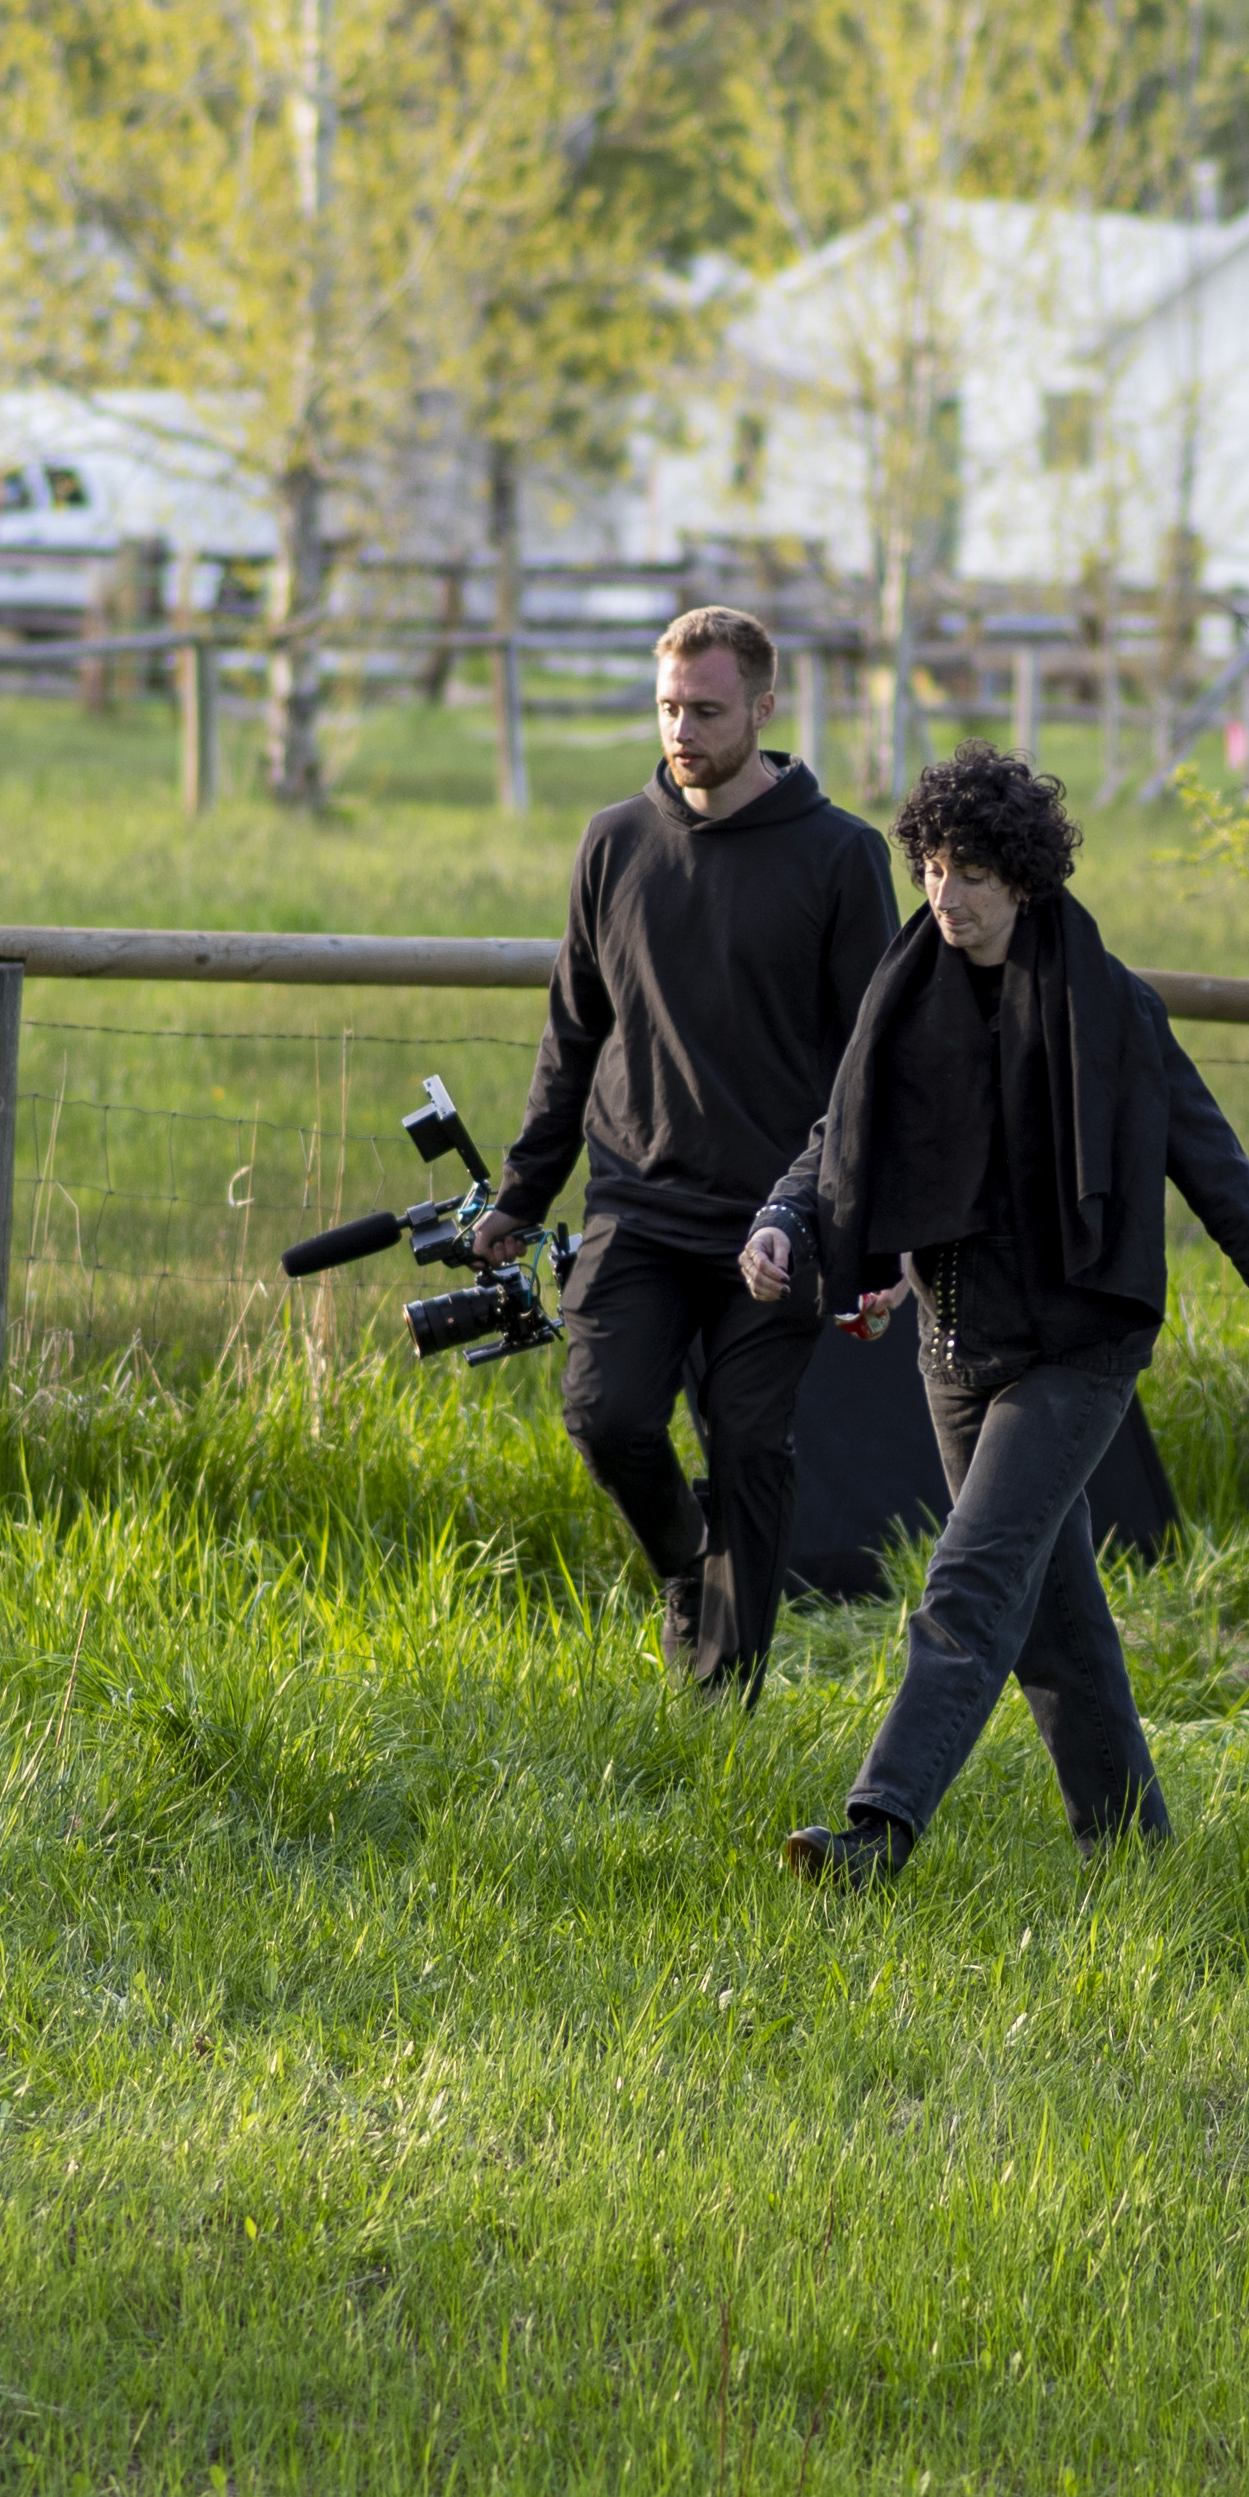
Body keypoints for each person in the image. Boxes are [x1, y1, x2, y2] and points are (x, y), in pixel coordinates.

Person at [740, 751, 1249, 1885]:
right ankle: (1131, 1850)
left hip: (1077, 1344)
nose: (944, 895)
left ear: (1023, 876)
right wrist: (782, 1218)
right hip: (953, 1344)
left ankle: (878, 1830)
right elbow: (840, 1133)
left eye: (970, 873)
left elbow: (1211, 1158)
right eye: (930, 868)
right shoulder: (904, 995)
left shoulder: (1110, 1008)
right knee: (1054, 1618)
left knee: (968, 1583)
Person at [477, 606, 894, 1695]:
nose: (681, 730)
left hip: (776, 1223)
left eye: (705, 710)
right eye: (667, 708)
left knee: (751, 1445)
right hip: (639, 1206)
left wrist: (866, 1224)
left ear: (763, 707)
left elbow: (873, 1064)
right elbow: (574, 1031)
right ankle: (685, 1561)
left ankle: (721, 1702)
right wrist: (523, 1191)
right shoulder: (614, 843)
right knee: (604, 1414)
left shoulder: (841, 856)